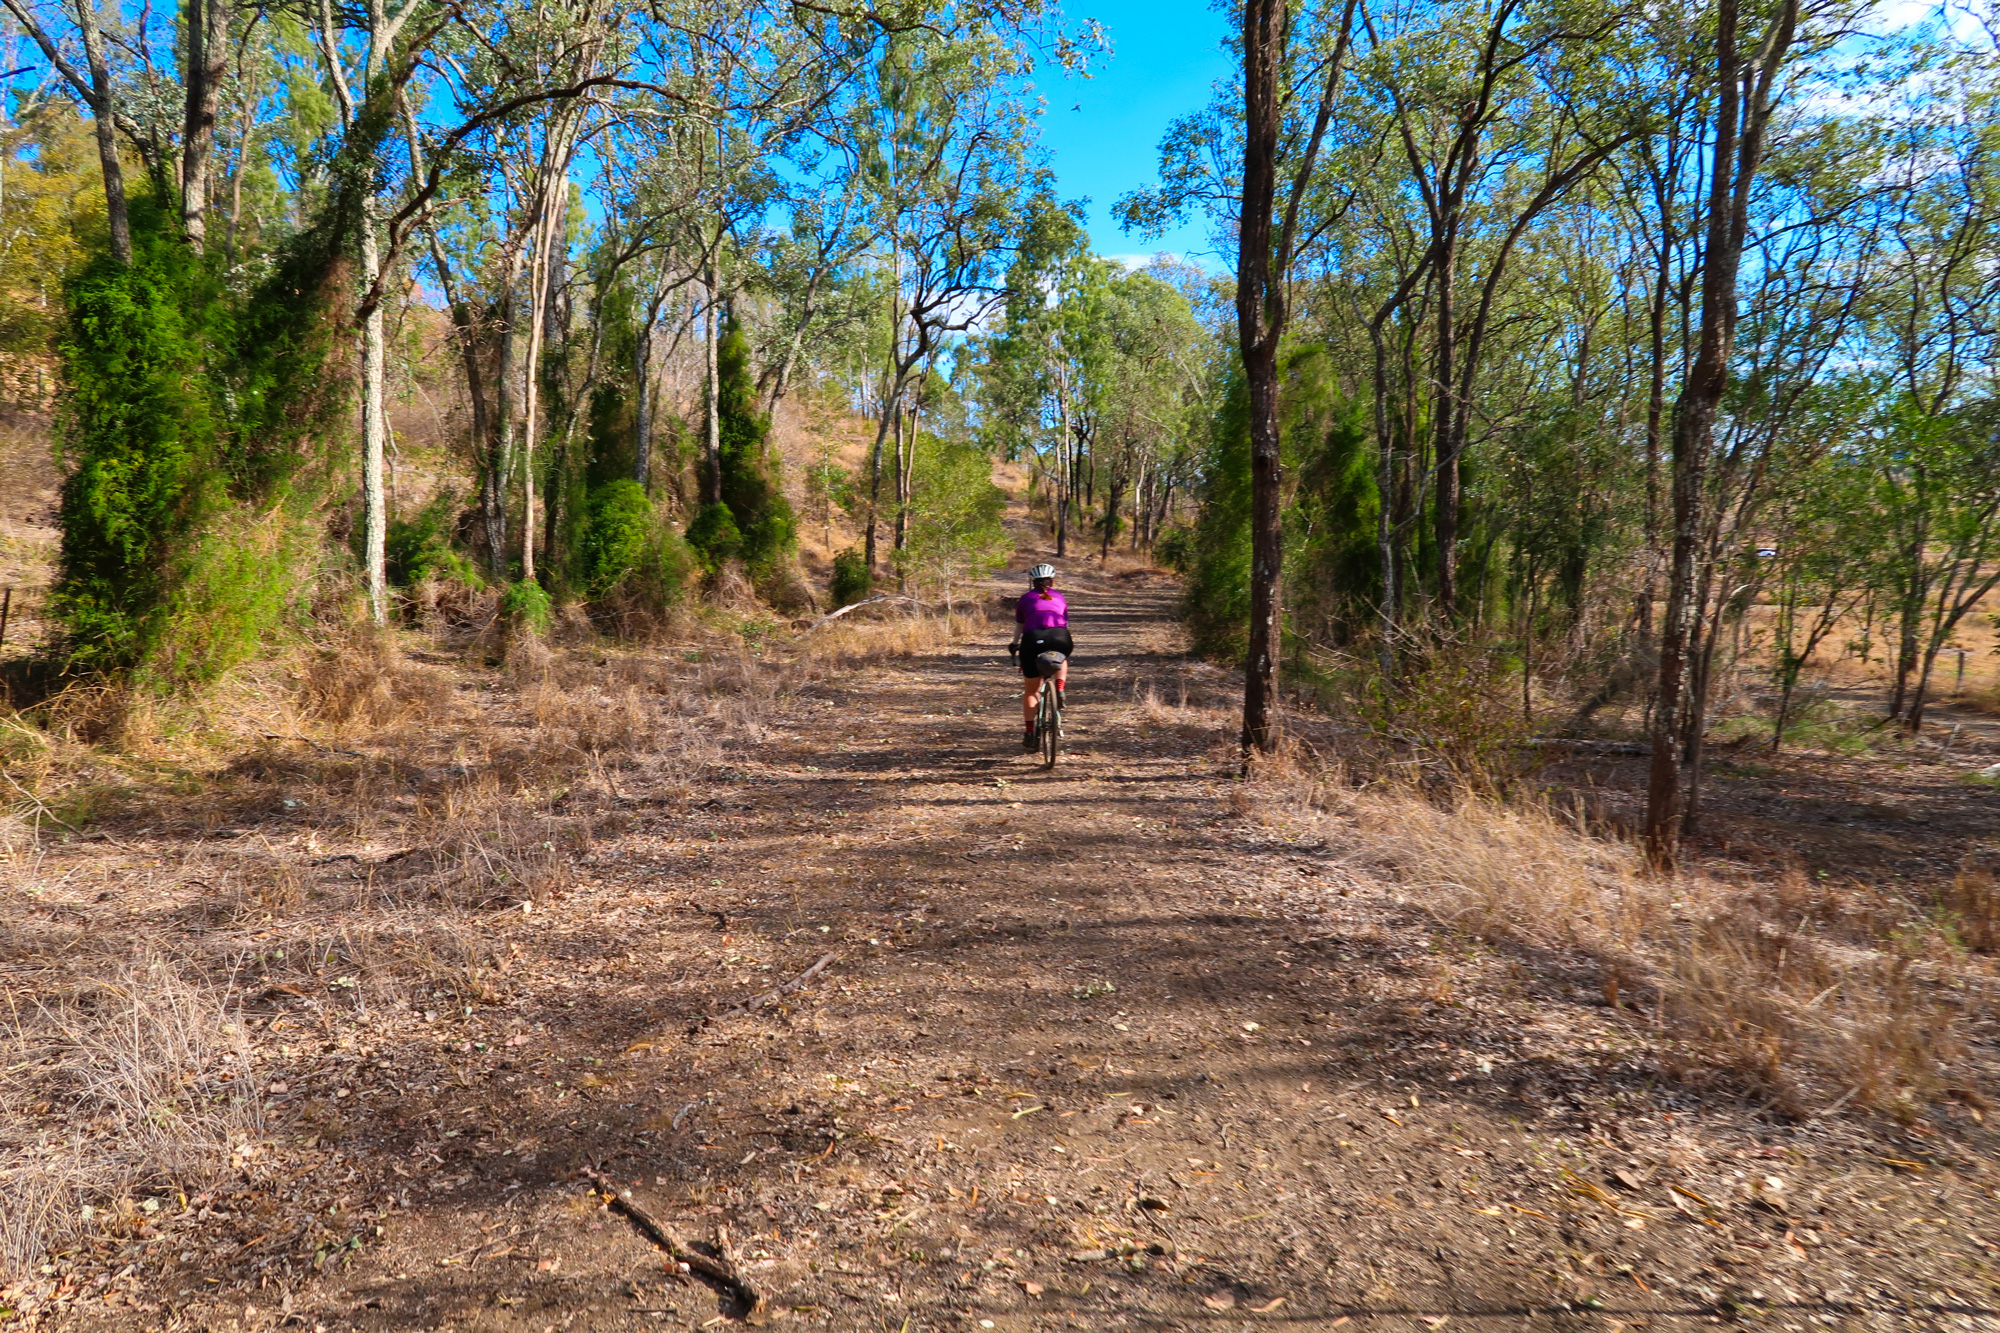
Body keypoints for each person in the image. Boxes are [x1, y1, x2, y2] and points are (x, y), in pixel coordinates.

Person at [1008, 563, 1071, 751]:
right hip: (1061, 636)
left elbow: (1020, 626)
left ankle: (1029, 733)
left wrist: (1014, 645)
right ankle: (1060, 688)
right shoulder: (1060, 597)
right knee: (1061, 657)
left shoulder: (1025, 598)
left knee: (1031, 691)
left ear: (1032, 582)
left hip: (1033, 639)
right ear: (1052, 582)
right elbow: (1065, 622)